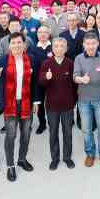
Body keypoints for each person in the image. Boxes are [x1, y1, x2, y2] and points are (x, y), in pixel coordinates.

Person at [0, 33, 42, 182]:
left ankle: (22, 159)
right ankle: (10, 165)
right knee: (11, 135)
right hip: (10, 104)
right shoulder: (3, 59)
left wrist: (36, 101)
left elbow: (35, 82)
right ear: (9, 45)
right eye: (13, 43)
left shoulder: (31, 59)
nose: (16, 45)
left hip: (26, 102)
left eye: (19, 42)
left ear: (24, 44)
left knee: (26, 134)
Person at [37, 37, 76, 170]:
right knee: (53, 133)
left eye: (62, 46)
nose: (59, 49)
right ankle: (55, 158)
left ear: (66, 49)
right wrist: (46, 78)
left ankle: (67, 157)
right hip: (52, 106)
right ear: (52, 48)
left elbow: (74, 85)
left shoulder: (70, 63)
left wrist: (73, 101)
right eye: (56, 46)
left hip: (67, 106)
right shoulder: (46, 63)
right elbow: (41, 83)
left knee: (68, 133)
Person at [74, 33, 100, 167]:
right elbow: (75, 77)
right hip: (83, 100)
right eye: (88, 44)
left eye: (93, 44)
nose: (90, 46)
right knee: (86, 129)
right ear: (84, 45)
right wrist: (82, 79)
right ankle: (90, 154)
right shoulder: (78, 58)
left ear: (97, 44)